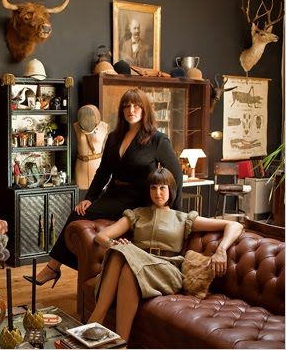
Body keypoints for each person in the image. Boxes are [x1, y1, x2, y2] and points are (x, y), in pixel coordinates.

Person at [24, 88, 183, 287]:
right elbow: (103, 172)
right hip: (113, 194)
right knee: (79, 211)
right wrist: (89, 197)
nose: (131, 110)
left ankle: (52, 268)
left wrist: (173, 212)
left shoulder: (158, 139)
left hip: (136, 199)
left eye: (136, 106)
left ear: (145, 110)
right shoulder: (114, 137)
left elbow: (176, 175)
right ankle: (56, 268)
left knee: (77, 216)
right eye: (126, 106)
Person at [88, 167, 243, 341]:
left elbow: (235, 226)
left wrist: (221, 250)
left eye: (163, 188)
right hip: (137, 265)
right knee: (123, 261)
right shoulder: (137, 214)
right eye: (153, 188)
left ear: (171, 190)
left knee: (125, 258)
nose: (158, 193)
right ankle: (118, 340)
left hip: (167, 269)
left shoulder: (183, 218)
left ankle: (95, 322)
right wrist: (113, 243)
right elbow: (101, 236)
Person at [74, 105, 109, 190]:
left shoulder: (104, 127)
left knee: (98, 194)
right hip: (81, 166)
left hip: (97, 165)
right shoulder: (76, 126)